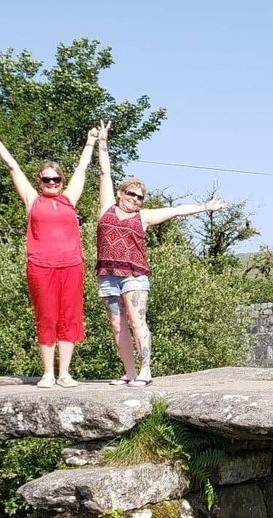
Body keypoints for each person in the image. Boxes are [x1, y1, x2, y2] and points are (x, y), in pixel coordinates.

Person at [94, 120, 227, 386]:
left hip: (133, 275)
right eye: (131, 193)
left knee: (136, 320)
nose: (134, 198)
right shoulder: (106, 208)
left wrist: (205, 207)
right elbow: (105, 173)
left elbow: (176, 210)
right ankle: (129, 373)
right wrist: (102, 143)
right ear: (120, 193)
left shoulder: (143, 217)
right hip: (107, 274)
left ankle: (145, 370)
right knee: (118, 326)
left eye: (140, 196)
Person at [0, 120, 97, 388]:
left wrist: (90, 141)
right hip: (41, 267)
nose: (52, 183)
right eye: (47, 179)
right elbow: (13, 166)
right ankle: (47, 373)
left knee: (70, 316)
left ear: (62, 181)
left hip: (71, 266)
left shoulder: (70, 199)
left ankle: (65, 373)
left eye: (56, 179)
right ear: (39, 181)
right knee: (46, 316)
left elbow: (82, 168)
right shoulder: (32, 200)